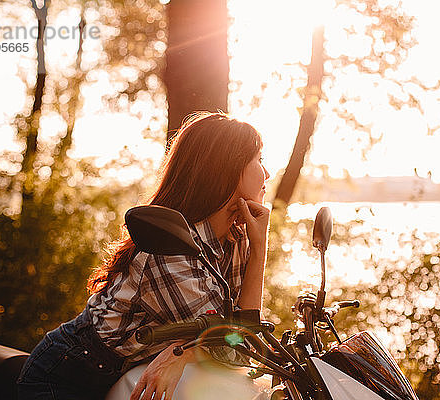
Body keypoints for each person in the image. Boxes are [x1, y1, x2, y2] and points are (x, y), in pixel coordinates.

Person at [17, 112, 271, 400]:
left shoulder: (236, 237)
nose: (268, 174)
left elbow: (242, 335)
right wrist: (184, 350)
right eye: (260, 159)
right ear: (229, 167)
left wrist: (259, 245)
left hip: (128, 371)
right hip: (68, 375)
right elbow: (231, 347)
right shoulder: (167, 244)